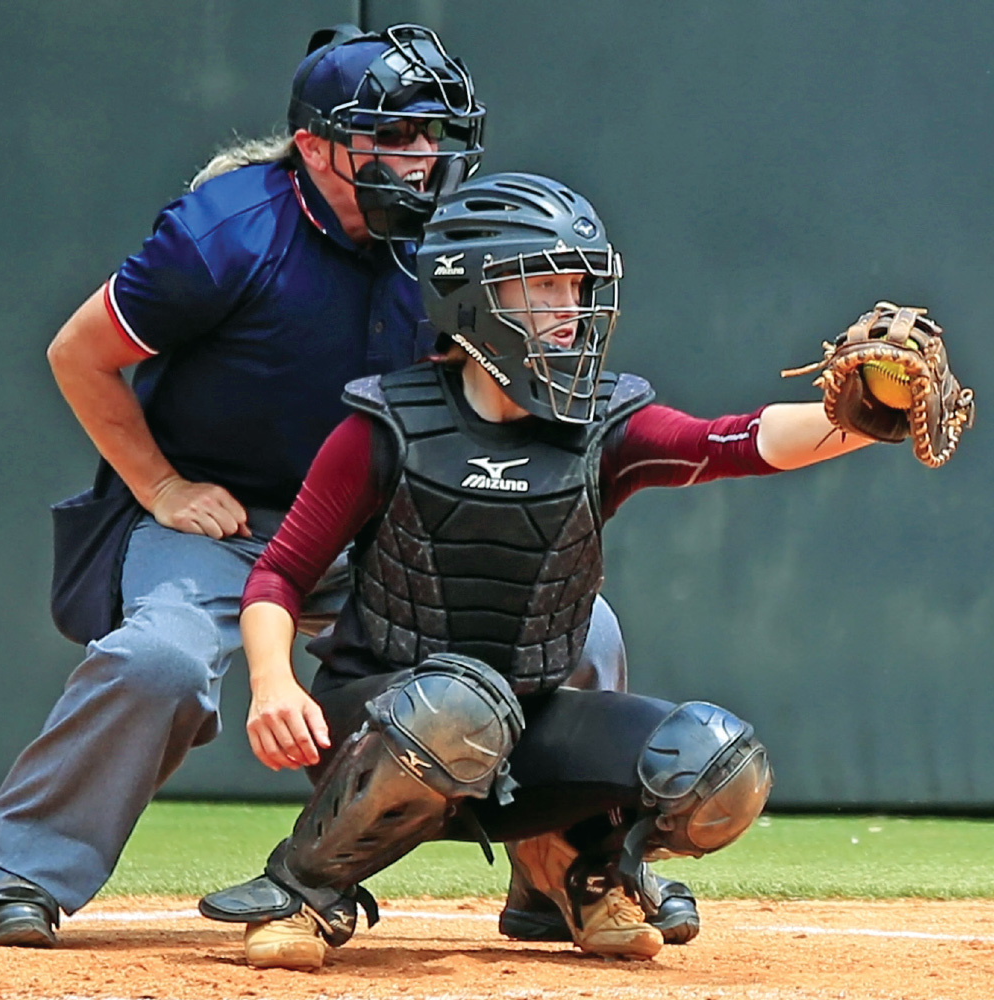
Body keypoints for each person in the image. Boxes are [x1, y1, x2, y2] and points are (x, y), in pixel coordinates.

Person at [198, 171, 892, 969]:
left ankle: (576, 870)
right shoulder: (385, 424)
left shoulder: (604, 423)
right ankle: (305, 889)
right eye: (543, 285)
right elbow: (280, 575)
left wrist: (867, 415)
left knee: (719, 764)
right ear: (468, 296)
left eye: (577, 283)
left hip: (526, 723)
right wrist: (272, 683)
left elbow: (730, 441)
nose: (570, 307)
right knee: (457, 703)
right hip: (380, 722)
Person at [0, 22, 491, 947]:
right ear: (314, 146)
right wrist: (160, 485)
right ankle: (15, 870)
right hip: (224, 523)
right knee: (161, 661)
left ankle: (579, 873)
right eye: (393, 136)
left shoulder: (451, 243)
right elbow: (79, 356)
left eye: (431, 136)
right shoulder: (224, 234)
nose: (421, 160)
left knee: (574, 630)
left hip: (378, 528)